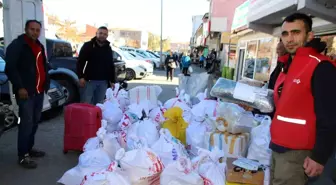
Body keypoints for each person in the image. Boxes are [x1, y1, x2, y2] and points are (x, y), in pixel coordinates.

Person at [269, 13, 336, 185]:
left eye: (296, 32)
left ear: (309, 36)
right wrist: (280, 61)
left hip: (298, 153)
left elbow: (329, 116)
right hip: (278, 146)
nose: (289, 39)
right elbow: (274, 92)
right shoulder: (289, 64)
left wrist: (319, 157)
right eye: (285, 34)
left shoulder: (320, 66)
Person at [5, 20, 50, 169]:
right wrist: (19, 87)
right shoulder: (17, 45)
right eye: (32, 29)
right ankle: (23, 155)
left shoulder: (39, 46)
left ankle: (29, 149)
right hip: (26, 93)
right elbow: (10, 68)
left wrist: (47, 81)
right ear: (26, 29)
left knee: (35, 122)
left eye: (38, 30)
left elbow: (42, 66)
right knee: (26, 124)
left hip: (38, 91)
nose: (35, 32)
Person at [77, 26, 115, 105]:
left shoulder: (108, 48)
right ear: (96, 33)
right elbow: (80, 62)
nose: (102, 35)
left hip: (103, 82)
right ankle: (85, 117)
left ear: (107, 36)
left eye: (105, 34)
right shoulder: (88, 46)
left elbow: (110, 65)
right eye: (100, 33)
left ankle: (95, 117)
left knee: (99, 105)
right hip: (89, 81)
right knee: (86, 103)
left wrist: (112, 80)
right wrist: (81, 77)